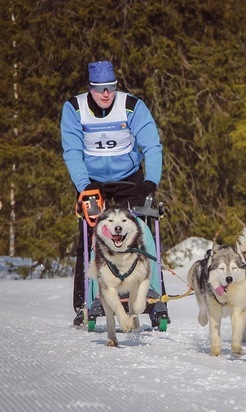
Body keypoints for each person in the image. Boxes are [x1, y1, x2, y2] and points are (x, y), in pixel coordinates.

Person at [60, 60, 166, 327]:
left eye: (110, 88)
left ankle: (152, 298)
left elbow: (152, 145)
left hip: (129, 178)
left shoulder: (131, 106)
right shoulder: (74, 108)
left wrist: (151, 180)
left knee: (143, 231)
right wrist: (84, 187)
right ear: (90, 89)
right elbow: (72, 151)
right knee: (89, 236)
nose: (106, 94)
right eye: (99, 89)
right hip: (92, 181)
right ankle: (86, 302)